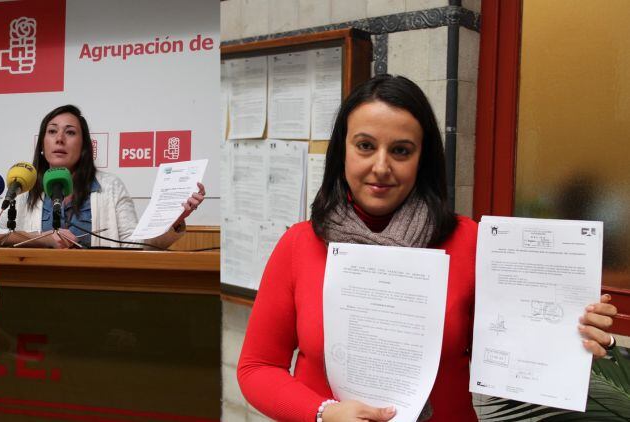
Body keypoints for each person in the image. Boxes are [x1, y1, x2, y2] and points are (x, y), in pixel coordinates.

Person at [236, 75, 617, 422]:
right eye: (365, 146)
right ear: (342, 152)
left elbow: (518, 341)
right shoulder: (300, 244)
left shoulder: (469, 242)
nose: (381, 167)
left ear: (423, 159)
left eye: (401, 151)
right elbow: (256, 367)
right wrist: (322, 413)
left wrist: (575, 333)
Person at [0, 104, 204, 248]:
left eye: (70, 132)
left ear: (84, 146)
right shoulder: (24, 187)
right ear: (42, 145)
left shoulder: (110, 186)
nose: (59, 139)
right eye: (52, 131)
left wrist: (173, 220)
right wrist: (40, 237)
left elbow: (134, 246)